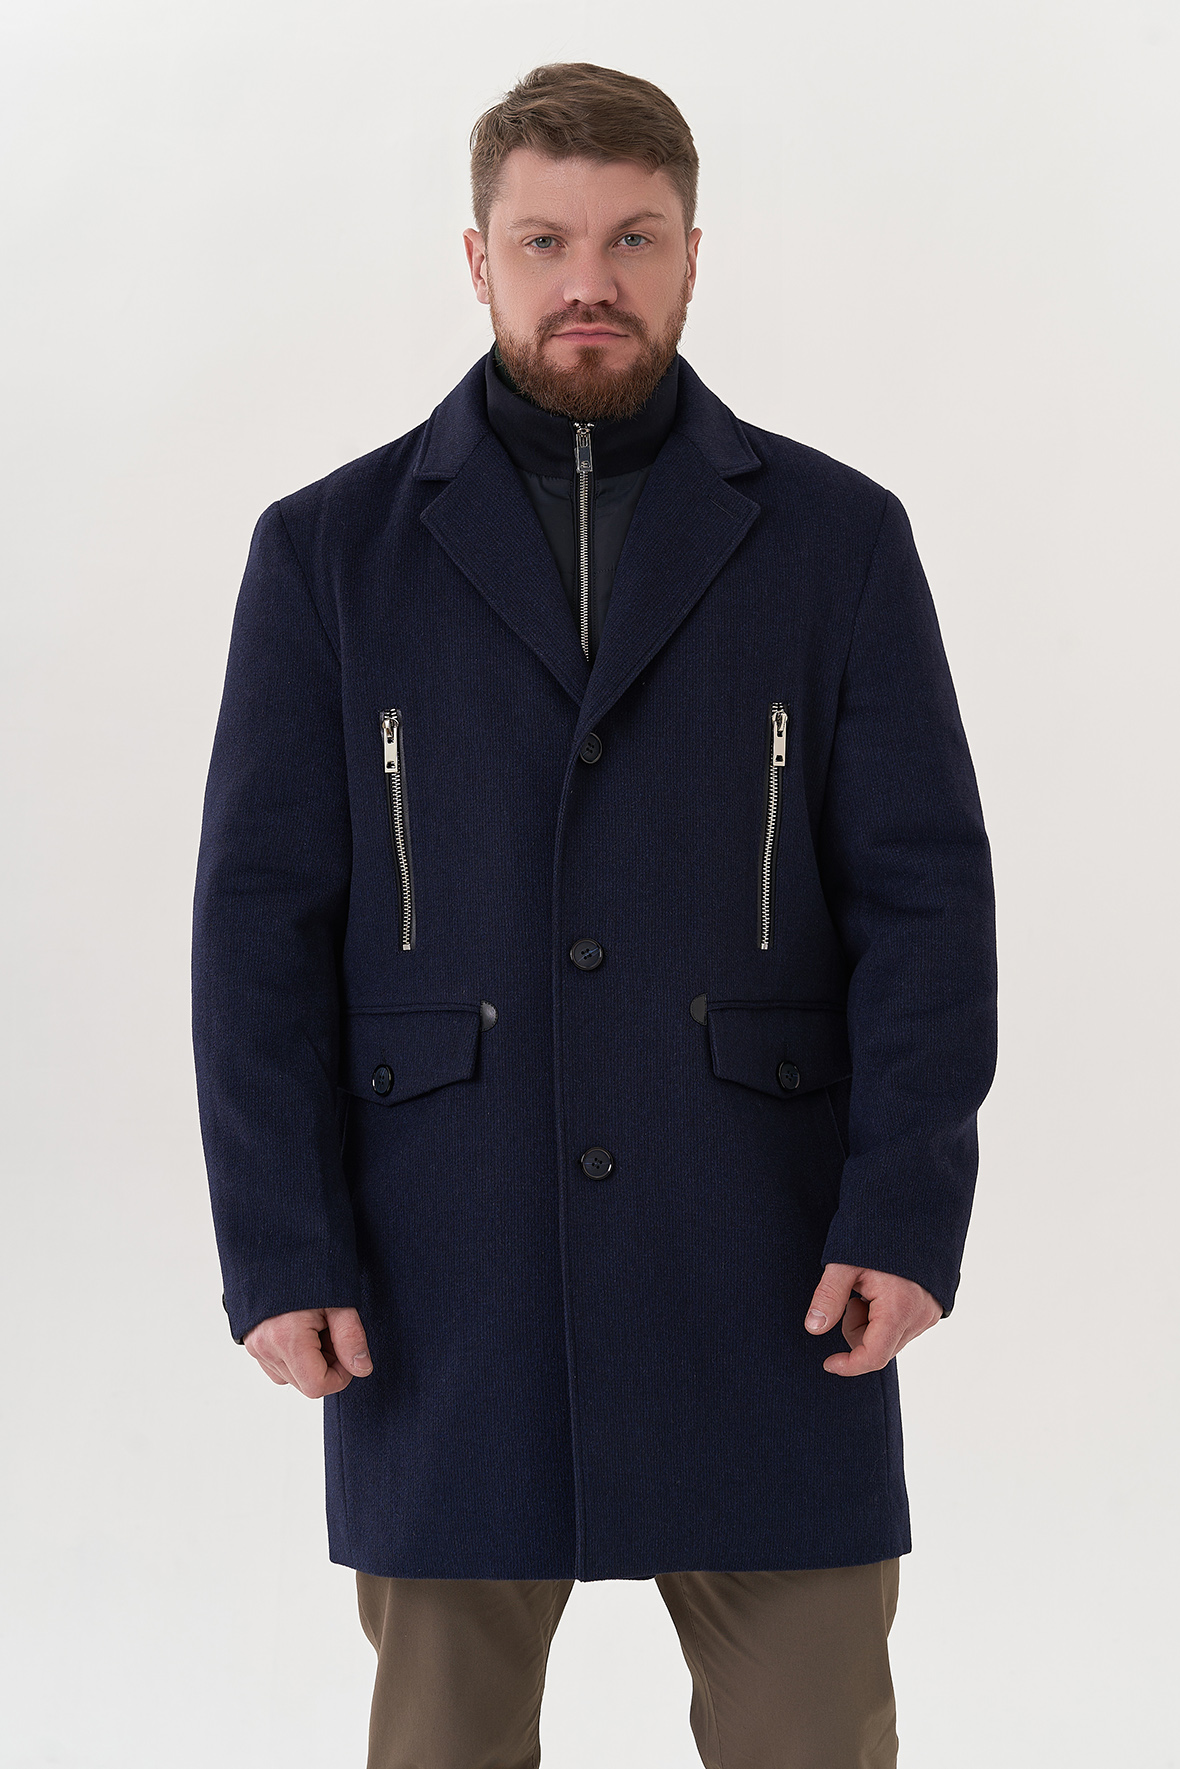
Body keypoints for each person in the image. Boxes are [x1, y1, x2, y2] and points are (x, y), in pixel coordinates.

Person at [192, 61, 997, 1769]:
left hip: (767, 1249)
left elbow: (927, 903)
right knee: (441, 1744)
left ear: (694, 254)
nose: (590, 281)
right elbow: (257, 930)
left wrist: (909, 1206)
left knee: (813, 1737)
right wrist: (279, 1241)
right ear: (474, 258)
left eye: (633, 238)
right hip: (442, 1260)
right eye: (545, 239)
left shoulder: (839, 540)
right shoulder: (327, 553)